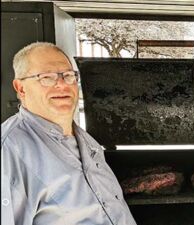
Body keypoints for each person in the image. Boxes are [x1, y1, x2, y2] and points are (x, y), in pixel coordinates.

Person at [1, 42, 137, 225]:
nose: (62, 85)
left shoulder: (87, 142)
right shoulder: (9, 151)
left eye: (68, 76)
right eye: (46, 77)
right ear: (21, 88)